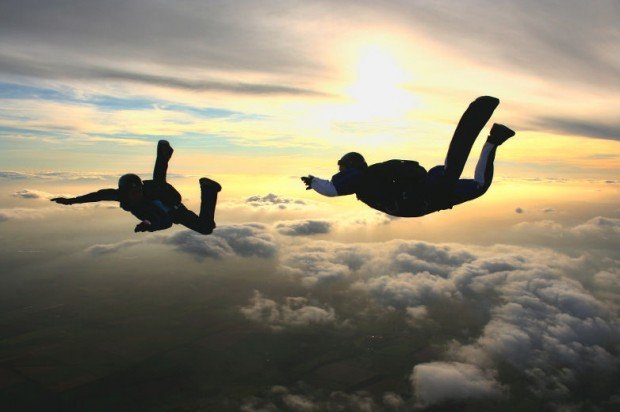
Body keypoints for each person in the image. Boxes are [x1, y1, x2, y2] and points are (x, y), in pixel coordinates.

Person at [301, 96, 515, 217]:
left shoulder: (360, 177)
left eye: (342, 167)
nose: (340, 171)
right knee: (476, 185)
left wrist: (313, 181)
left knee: (455, 178)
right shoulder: (371, 175)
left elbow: (331, 189)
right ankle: (494, 141)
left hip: (420, 199)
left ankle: (492, 141)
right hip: (424, 199)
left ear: (350, 166)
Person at [51, 140, 221, 234]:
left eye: (138, 190)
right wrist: (70, 201)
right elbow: (96, 196)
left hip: (171, 203)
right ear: (125, 192)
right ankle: (208, 188)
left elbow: (165, 221)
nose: (137, 194)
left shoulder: (144, 195)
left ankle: (164, 155)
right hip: (165, 207)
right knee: (206, 227)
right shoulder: (121, 195)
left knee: (158, 186)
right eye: (133, 192)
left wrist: (148, 226)